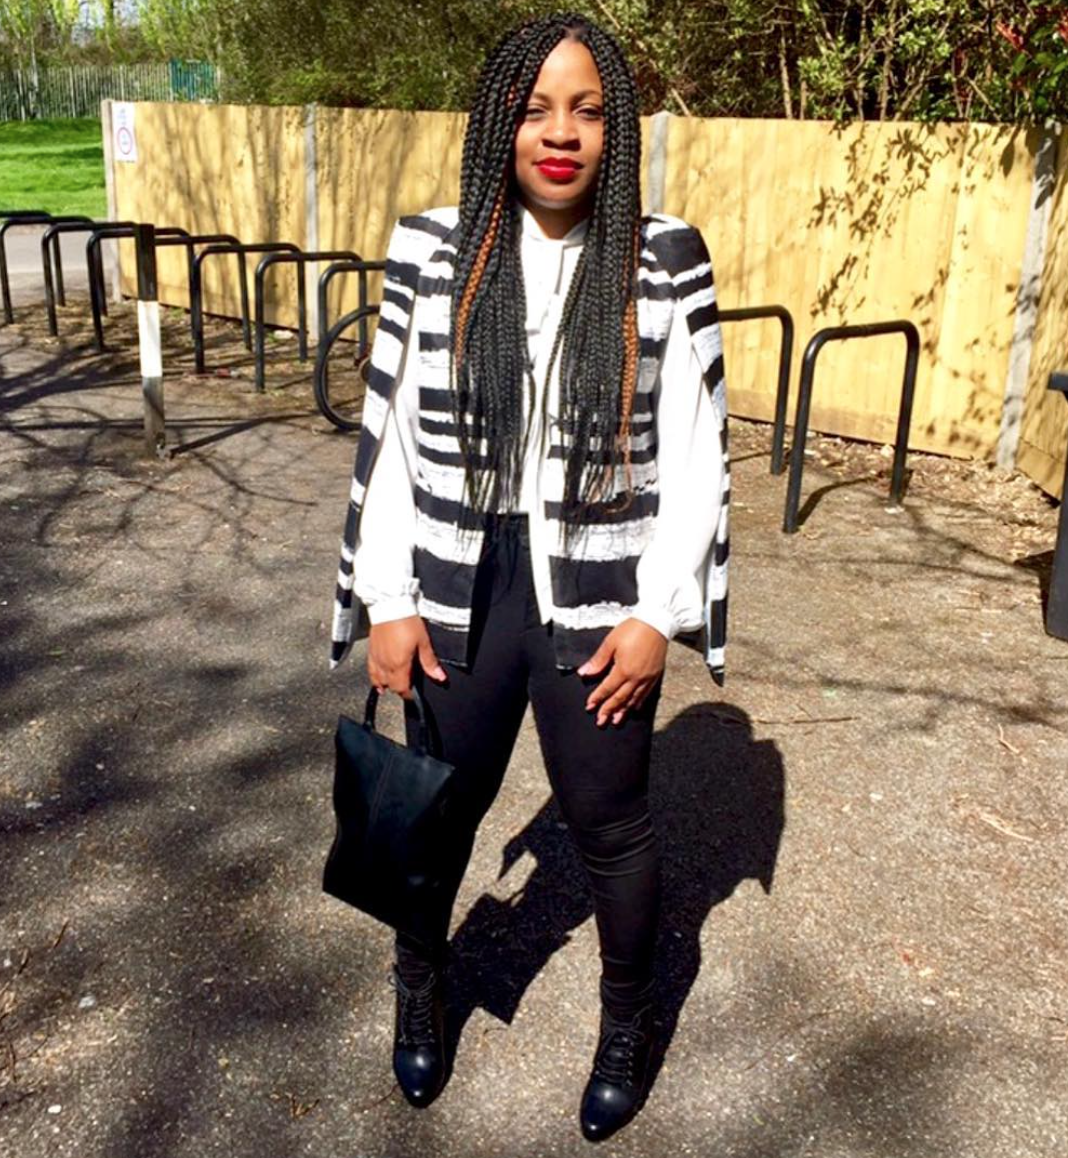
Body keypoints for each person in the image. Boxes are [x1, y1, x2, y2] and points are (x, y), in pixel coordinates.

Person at [328, 11, 730, 1142]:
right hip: (461, 576)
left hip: (600, 584)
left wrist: (657, 614)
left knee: (610, 824)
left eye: (589, 111)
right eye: (537, 108)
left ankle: (626, 1025)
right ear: (499, 120)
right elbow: (390, 439)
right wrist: (390, 599)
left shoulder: (662, 257)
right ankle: (420, 986)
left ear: (618, 128)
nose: (562, 133)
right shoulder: (434, 250)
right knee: (437, 811)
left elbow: (699, 451)